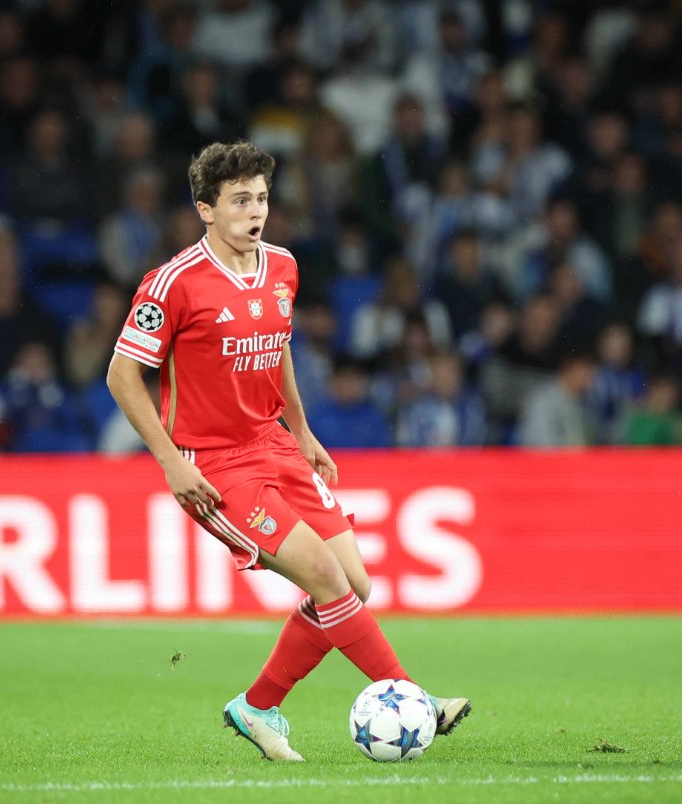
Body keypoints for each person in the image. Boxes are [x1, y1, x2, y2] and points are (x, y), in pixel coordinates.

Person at [105, 141, 469, 762]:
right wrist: (170, 461)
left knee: (354, 583)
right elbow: (120, 374)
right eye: (240, 200)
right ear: (205, 210)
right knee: (328, 580)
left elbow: (279, 349)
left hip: (274, 444)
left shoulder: (283, 267)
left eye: (263, 198)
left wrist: (300, 431)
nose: (256, 211)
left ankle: (257, 706)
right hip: (215, 466)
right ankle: (413, 698)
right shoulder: (171, 284)